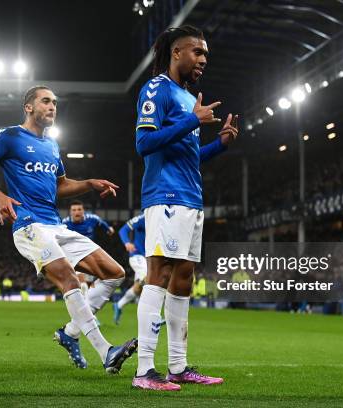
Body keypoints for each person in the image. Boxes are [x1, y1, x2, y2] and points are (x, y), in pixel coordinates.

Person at [0, 85, 137, 373]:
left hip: (55, 225)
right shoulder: (10, 136)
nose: (52, 107)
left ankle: (70, 333)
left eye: (55, 103)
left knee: (115, 274)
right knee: (70, 279)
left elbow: (60, 186)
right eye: (46, 101)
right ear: (29, 107)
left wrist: (90, 184)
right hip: (28, 225)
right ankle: (106, 351)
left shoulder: (52, 145)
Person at [132, 25, 238, 391]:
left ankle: (178, 366)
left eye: (205, 54)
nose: (203, 59)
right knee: (158, 276)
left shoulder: (186, 96)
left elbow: (189, 158)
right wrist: (194, 120)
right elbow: (144, 143)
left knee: (183, 281)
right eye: (197, 52)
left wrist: (219, 145)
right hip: (165, 198)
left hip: (191, 200)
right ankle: (145, 370)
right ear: (177, 52)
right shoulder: (157, 89)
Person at [62, 201, 115, 295]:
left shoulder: (92, 218)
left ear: (83, 211)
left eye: (79, 209)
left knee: (88, 284)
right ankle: (85, 306)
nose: (76, 212)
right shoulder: (64, 223)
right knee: (81, 283)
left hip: (89, 254)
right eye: (74, 210)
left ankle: (87, 302)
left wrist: (109, 229)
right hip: (74, 255)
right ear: (70, 212)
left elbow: (103, 224)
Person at [113, 213, 147, 324]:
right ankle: (150, 317)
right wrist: (127, 242)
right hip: (137, 255)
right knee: (147, 280)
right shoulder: (143, 217)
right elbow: (123, 230)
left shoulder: (162, 217)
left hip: (150, 258)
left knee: (138, 288)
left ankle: (118, 305)